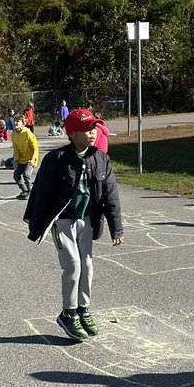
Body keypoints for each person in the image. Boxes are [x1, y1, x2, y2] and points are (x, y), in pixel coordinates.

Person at [24, 108, 123, 341]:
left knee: (87, 266)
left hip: (86, 220)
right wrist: (37, 224)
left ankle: (83, 310)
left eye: (94, 129)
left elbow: (111, 195)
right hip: (63, 221)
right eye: (87, 130)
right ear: (72, 133)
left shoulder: (100, 158)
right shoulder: (56, 159)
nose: (92, 133)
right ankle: (68, 313)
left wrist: (116, 228)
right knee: (73, 266)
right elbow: (40, 194)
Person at [10, 113, 39, 200]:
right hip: (21, 158)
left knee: (26, 174)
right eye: (15, 121)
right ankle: (25, 190)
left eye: (18, 121)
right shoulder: (13, 135)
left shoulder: (27, 133)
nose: (15, 123)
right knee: (16, 175)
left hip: (31, 157)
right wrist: (15, 160)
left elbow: (35, 147)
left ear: (22, 123)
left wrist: (32, 160)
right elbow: (16, 149)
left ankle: (31, 191)